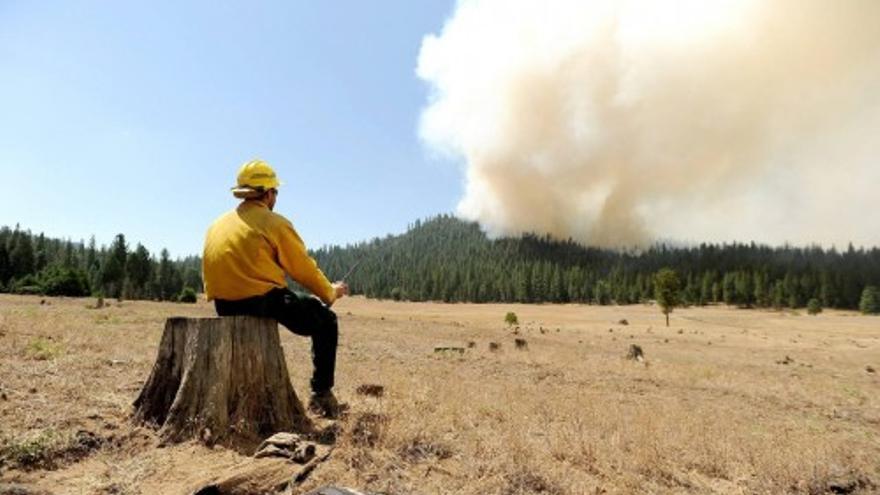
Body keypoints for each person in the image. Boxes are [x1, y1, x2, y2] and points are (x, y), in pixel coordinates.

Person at [202, 159, 349, 417]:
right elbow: (302, 268)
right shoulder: (274, 223)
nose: (276, 197)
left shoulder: (217, 224)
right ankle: (321, 395)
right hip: (262, 301)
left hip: (223, 305)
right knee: (326, 321)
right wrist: (330, 292)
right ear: (269, 193)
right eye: (276, 192)